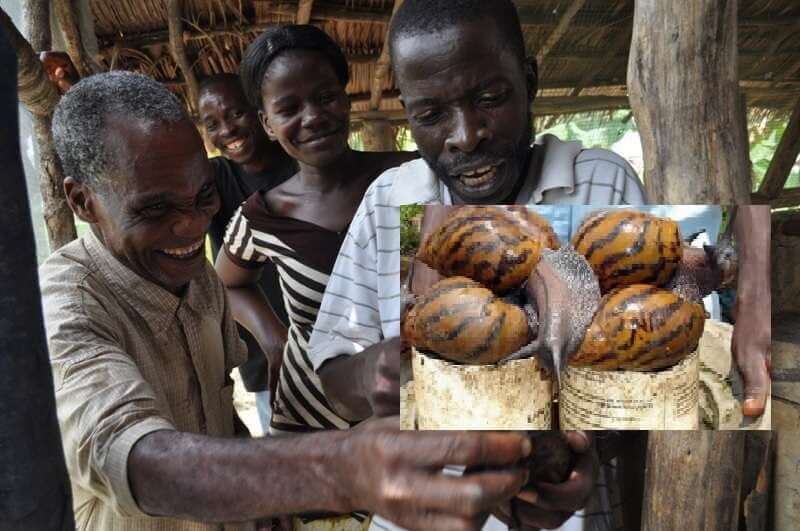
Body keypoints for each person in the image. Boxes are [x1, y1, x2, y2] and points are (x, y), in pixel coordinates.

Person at [42, 70, 537, 531]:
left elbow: (213, 410)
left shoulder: (197, 280)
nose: (191, 227)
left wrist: (262, 498)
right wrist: (340, 470)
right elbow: (133, 457)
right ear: (82, 201)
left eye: (203, 198)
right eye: (154, 208)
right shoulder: (65, 309)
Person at [307, 1, 634, 529]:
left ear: (528, 82)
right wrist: (374, 373)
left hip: (561, 510)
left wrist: (587, 442)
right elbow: (334, 373)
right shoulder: (389, 197)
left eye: (489, 98)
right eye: (431, 115)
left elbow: (642, 385)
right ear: (409, 113)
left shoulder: (601, 185)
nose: (465, 134)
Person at [215, 25, 415, 438]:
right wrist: (275, 340)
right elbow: (228, 283)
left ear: (345, 98)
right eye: (289, 108)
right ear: (267, 123)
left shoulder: (410, 179)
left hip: (415, 413)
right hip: (311, 421)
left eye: (325, 97)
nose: (313, 117)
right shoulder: (262, 216)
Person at [199, 73, 296, 432]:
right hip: (264, 346)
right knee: (286, 448)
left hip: (327, 336)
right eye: (213, 124)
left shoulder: (300, 166)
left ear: (261, 112)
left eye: (236, 114)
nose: (227, 131)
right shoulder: (214, 180)